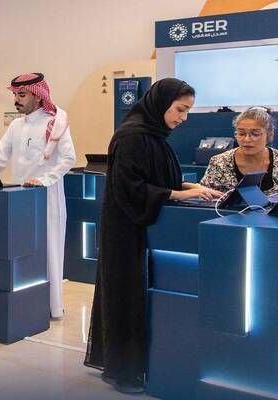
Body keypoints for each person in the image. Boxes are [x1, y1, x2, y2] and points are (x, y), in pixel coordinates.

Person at [83, 78, 222, 393]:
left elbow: (157, 179)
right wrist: (179, 194)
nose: (183, 118)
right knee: (126, 297)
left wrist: (191, 187)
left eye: (187, 111)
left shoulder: (154, 136)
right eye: (180, 109)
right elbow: (131, 188)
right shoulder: (131, 137)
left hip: (143, 229)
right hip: (125, 231)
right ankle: (125, 371)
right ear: (161, 103)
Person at [0, 72, 76, 320]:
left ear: (38, 97)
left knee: (49, 251)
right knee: (22, 250)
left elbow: (68, 158)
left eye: (22, 95)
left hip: (47, 198)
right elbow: (0, 158)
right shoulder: (16, 126)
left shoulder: (55, 123)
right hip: (19, 199)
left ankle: (52, 307)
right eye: (15, 95)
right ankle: (27, 303)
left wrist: (44, 180)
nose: (16, 100)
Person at [200, 106, 277, 196]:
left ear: (270, 134)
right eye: (241, 134)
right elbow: (203, 196)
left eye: (255, 134)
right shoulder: (220, 162)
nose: (247, 139)